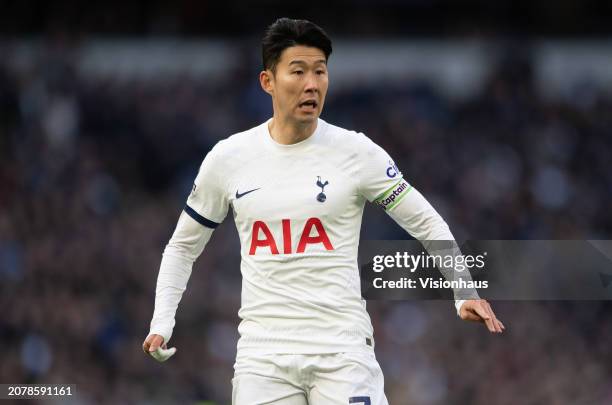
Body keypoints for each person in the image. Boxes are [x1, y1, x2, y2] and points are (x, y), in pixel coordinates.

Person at [142, 17, 504, 404]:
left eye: (320, 71)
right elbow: (182, 246)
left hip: (342, 351)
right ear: (268, 82)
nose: (312, 84)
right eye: (298, 71)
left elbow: (425, 220)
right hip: (263, 357)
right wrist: (162, 320)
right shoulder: (229, 159)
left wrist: (463, 290)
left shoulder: (356, 152)